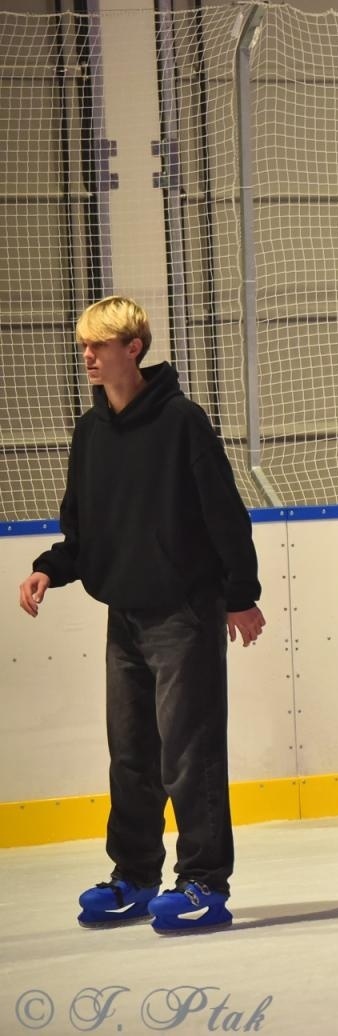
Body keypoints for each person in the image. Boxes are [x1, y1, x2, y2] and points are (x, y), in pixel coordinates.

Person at [18, 295, 265, 934]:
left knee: (191, 753)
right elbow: (84, 530)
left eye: (98, 346)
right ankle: (133, 876)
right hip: (123, 615)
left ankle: (204, 884)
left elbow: (225, 515)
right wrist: (52, 566)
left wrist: (240, 595)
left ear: (133, 349)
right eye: (83, 347)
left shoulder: (183, 422)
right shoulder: (90, 431)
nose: (88, 357)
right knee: (130, 755)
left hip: (184, 612)